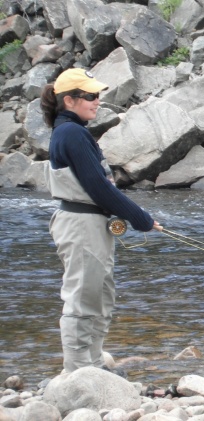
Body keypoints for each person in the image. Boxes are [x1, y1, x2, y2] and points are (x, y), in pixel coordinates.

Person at [40, 68, 162, 374]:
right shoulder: (71, 133)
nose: (97, 101)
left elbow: (99, 188)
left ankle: (93, 364)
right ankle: (79, 371)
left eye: (98, 95)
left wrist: (136, 217)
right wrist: (140, 218)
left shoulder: (72, 131)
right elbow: (97, 187)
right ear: (69, 100)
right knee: (83, 298)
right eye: (91, 96)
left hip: (90, 225)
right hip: (81, 226)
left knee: (100, 295)